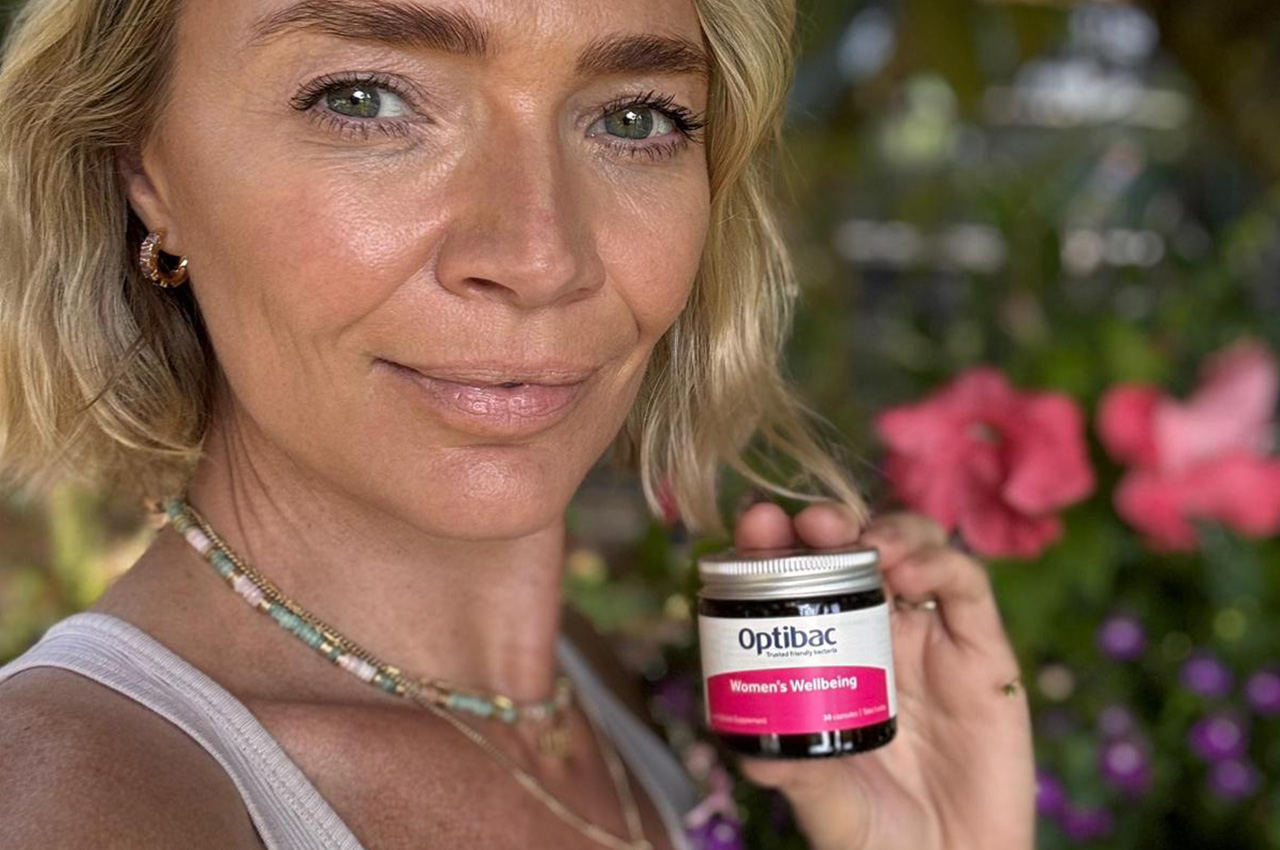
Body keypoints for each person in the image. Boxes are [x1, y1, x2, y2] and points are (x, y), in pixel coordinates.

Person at [0, 0, 1035, 847]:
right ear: (148, 170)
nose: (541, 257)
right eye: (365, 100)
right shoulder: (81, 801)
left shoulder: (593, 688)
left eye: (634, 117)